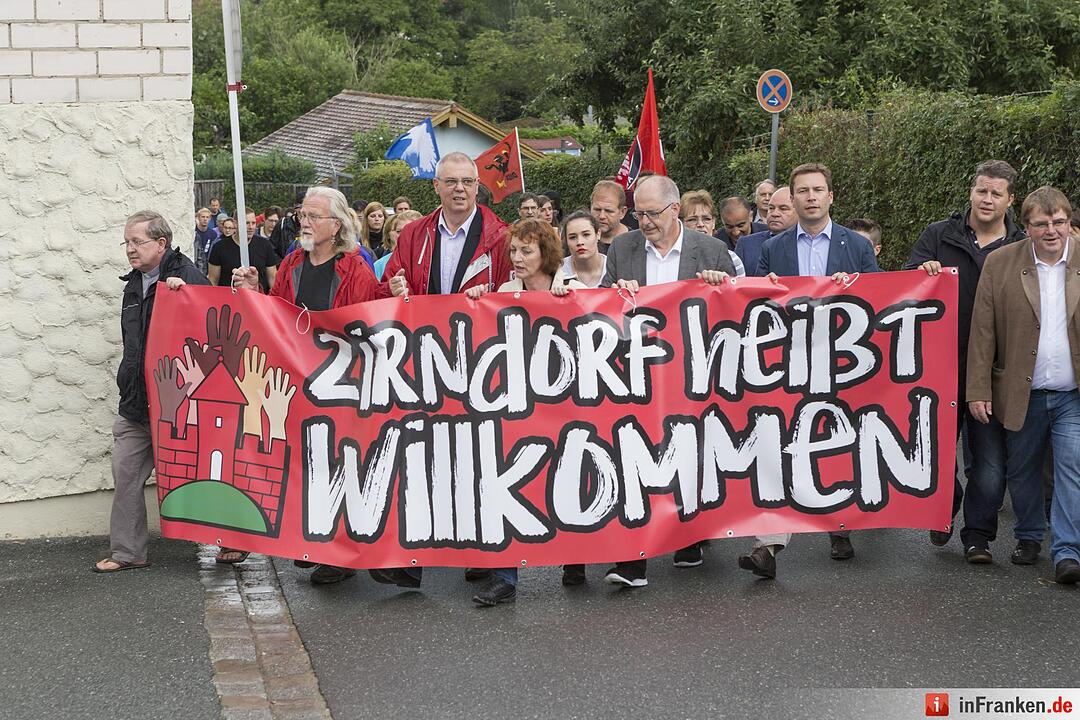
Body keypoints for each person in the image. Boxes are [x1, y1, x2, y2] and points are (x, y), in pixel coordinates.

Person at [376, 152, 513, 589]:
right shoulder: (414, 234)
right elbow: (390, 289)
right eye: (451, 181)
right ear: (435, 186)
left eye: (467, 182)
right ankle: (410, 559)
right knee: (421, 455)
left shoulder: (499, 236)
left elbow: (519, 294)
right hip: (425, 362)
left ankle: (486, 558)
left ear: (478, 187)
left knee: (481, 459)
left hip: (482, 362)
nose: (459, 189)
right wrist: (394, 287)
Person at [232, 186, 380, 583]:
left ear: (337, 224)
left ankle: (339, 557)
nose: (305, 223)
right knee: (305, 462)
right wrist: (253, 293)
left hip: (340, 383)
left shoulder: (355, 267)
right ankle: (315, 541)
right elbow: (277, 314)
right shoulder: (294, 262)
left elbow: (365, 325)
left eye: (315, 216)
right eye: (303, 215)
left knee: (337, 463)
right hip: (298, 378)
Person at [741, 162, 881, 578]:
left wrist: (853, 286)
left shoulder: (856, 246)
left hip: (843, 358)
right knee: (780, 443)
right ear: (793, 198)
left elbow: (879, 299)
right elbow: (754, 303)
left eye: (818, 189)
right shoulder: (774, 247)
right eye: (802, 190)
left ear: (831, 196)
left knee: (838, 439)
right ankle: (768, 544)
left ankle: (839, 526)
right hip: (788, 359)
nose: (811, 197)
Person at [599, 173, 736, 587]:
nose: (644, 222)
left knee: (688, 454)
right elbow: (603, 304)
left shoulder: (711, 250)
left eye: (652, 213)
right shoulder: (622, 248)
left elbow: (736, 312)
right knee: (634, 457)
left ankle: (688, 535)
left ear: (675, 209)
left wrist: (721, 286)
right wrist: (615, 292)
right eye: (638, 213)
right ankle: (632, 562)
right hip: (637, 374)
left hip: (693, 374)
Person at [904, 160, 1024, 558]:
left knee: (990, 464)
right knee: (935, 455)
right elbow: (904, 287)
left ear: (1010, 200)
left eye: (996, 193)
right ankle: (945, 508)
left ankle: (978, 536)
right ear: (971, 191)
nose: (987, 199)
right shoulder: (939, 235)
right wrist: (921, 271)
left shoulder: (1020, 248)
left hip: (992, 370)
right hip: (938, 366)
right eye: (981, 191)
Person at [464, 219, 587, 605]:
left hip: (567, 402)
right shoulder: (504, 292)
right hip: (518, 404)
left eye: (526, 251)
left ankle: (576, 559)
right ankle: (506, 577)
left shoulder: (576, 291)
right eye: (513, 251)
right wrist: (480, 298)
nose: (516, 258)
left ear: (546, 254)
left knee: (570, 476)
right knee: (509, 481)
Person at [967, 186, 1080, 585]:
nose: (1052, 231)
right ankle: (1030, 536)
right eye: (1042, 224)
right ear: (1027, 227)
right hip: (1020, 388)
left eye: (1059, 222)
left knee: (1071, 467)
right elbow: (983, 332)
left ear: (1070, 222)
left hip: (1072, 394)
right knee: (1023, 471)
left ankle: (1067, 550)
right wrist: (978, 389)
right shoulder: (1000, 263)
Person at [93, 211, 210, 573]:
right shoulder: (133, 283)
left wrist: (184, 297)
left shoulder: (188, 277)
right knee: (125, 472)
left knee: (205, 473)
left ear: (161, 244)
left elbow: (210, 335)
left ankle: (228, 544)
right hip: (136, 403)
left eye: (137, 242)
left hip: (178, 402)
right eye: (127, 242)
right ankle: (128, 552)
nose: (130, 249)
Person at [679, 190, 747, 277]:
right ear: (681, 223)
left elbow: (739, 289)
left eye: (706, 219)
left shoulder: (733, 259)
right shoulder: (675, 256)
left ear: (714, 223)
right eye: (692, 219)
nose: (700, 224)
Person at [208, 210, 278, 293]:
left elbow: (273, 278)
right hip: (228, 301)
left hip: (258, 300)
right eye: (247, 223)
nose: (251, 227)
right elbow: (213, 281)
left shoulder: (265, 245)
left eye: (253, 223)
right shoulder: (219, 247)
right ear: (235, 223)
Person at [735, 186, 796, 276]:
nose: (774, 214)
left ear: (799, 211)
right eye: (771, 208)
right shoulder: (746, 245)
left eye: (783, 209)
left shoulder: (808, 245)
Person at [560, 210, 607, 288]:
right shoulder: (558, 270)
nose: (579, 242)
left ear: (598, 234)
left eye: (586, 235)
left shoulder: (613, 268)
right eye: (572, 237)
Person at [374, 210, 422, 280]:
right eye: (399, 231)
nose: (404, 236)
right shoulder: (379, 265)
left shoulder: (433, 260)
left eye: (411, 231)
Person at [590, 179, 629, 254]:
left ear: (622, 212)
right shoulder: (579, 242)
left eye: (608, 211)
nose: (602, 216)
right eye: (597, 209)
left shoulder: (637, 242)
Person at [194, 207, 220, 275]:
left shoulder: (213, 234)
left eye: (207, 217)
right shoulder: (194, 233)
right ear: (198, 218)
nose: (205, 219)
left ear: (210, 219)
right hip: (195, 264)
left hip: (208, 265)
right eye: (203, 217)